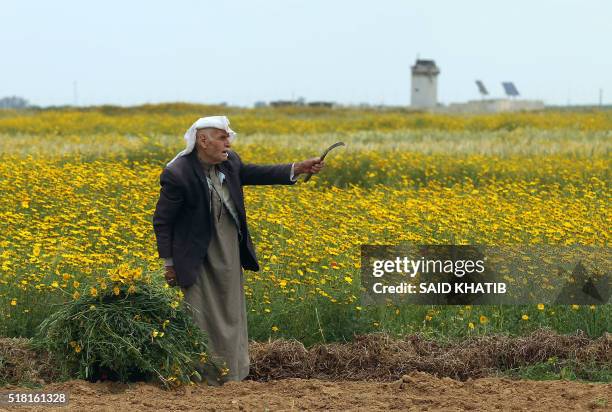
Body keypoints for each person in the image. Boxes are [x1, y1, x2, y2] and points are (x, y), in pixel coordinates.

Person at [152, 116, 324, 385]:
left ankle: (234, 374)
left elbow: (256, 173)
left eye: (228, 137)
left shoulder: (230, 161)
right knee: (200, 316)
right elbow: (163, 220)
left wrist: (298, 167)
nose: (228, 143)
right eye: (222, 137)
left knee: (232, 314)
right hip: (196, 257)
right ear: (202, 140)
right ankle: (203, 378)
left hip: (228, 251)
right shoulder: (178, 173)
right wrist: (169, 263)